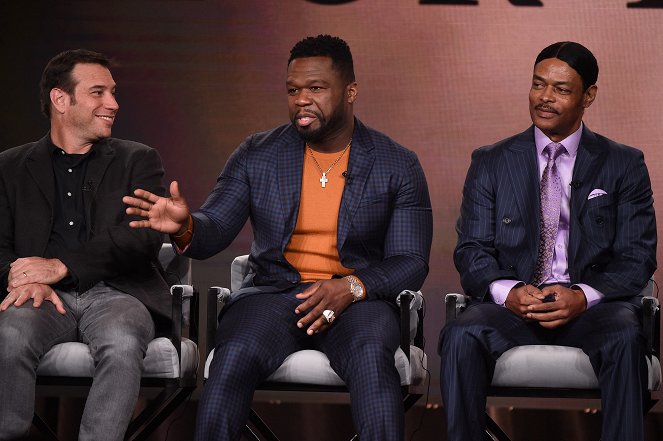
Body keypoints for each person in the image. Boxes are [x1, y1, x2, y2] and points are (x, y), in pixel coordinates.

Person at [124, 34, 433, 441]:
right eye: (293, 90)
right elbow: (214, 227)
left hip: (358, 301)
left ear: (351, 91)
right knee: (232, 358)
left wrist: (350, 287)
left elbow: (410, 261)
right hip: (273, 295)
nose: (302, 100)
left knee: (372, 361)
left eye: (316, 88)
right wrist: (185, 225)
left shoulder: (397, 163)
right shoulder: (258, 152)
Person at [438, 41, 657, 441]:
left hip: (590, 308)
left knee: (626, 335)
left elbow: (637, 257)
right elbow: (472, 250)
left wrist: (583, 295)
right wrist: (510, 292)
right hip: (514, 308)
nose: (545, 98)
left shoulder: (623, 164)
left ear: (588, 95)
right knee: (460, 334)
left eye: (561, 89)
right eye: (538, 85)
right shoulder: (491, 161)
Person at [0, 49, 171, 441]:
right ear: (61, 100)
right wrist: (23, 277)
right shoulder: (9, 167)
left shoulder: (138, 160)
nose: (113, 104)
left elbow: (143, 238)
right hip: (39, 296)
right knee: (9, 336)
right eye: (98, 93)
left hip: (119, 293)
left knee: (123, 342)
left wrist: (59, 265)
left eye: (113, 93)